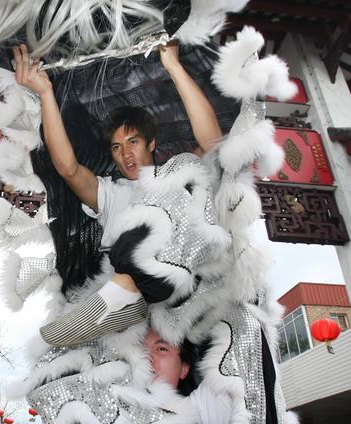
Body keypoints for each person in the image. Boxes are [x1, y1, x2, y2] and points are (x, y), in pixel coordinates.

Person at [12, 43, 222, 346]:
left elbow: (211, 142)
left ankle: (126, 293)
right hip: (124, 291)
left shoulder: (177, 177)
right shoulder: (111, 193)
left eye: (133, 142)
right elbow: (67, 168)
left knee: (191, 166)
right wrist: (45, 93)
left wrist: (173, 66)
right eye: (116, 147)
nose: (126, 154)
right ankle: (123, 297)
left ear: (151, 143)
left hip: (184, 281)